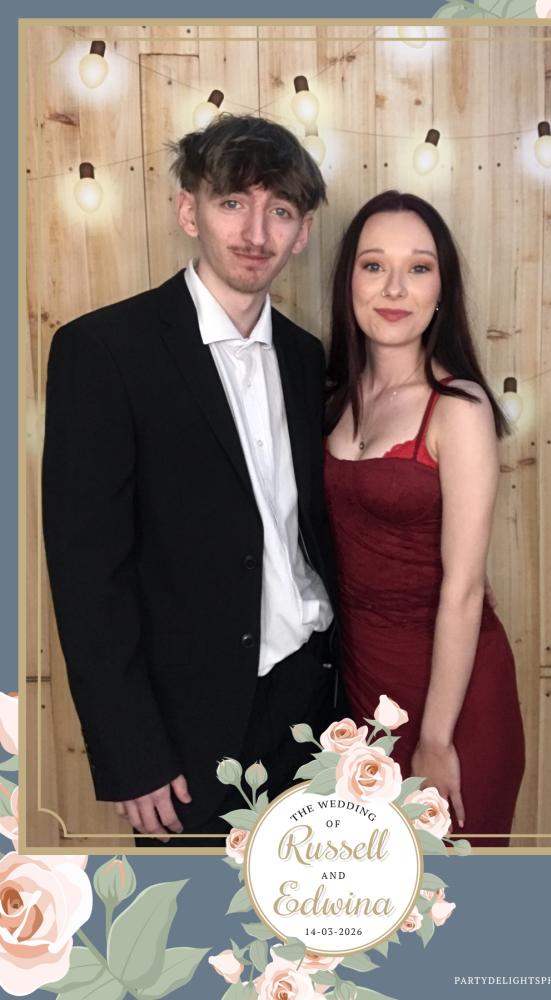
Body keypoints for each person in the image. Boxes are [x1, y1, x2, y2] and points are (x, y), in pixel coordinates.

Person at [42, 114, 343, 847]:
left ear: (302, 232)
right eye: (232, 202)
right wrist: (129, 750)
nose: (256, 232)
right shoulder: (103, 351)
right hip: (188, 728)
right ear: (189, 212)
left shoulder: (306, 358)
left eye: (279, 211)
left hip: (314, 700)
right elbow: (87, 575)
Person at [324, 190, 525, 847]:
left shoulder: (458, 407)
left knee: (450, 887)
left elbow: (463, 589)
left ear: (442, 289)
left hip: (452, 700)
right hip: (359, 686)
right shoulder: (330, 399)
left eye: (418, 267)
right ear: (348, 281)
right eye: (373, 265)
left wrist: (435, 738)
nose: (394, 288)